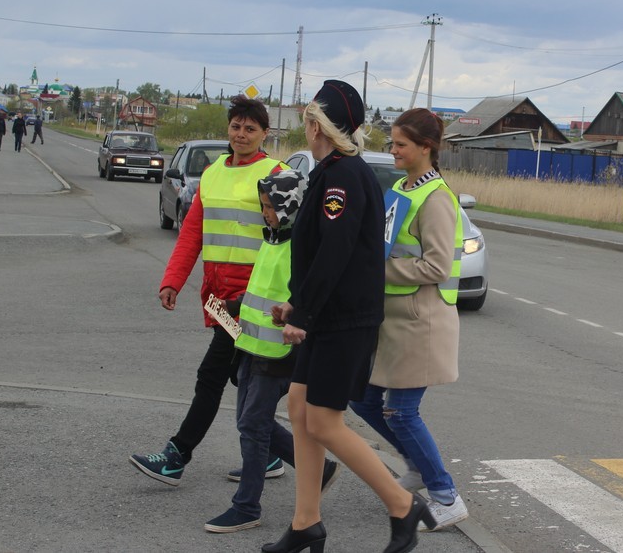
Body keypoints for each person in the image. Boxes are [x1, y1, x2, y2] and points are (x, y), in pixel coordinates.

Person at [263, 80, 434, 553]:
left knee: (324, 422)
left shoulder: (343, 177)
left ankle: (402, 504)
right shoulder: (331, 171)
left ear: (316, 126)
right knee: (299, 409)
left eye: (307, 121)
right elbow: (319, 253)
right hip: (327, 316)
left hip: (345, 321)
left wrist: (303, 314)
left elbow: (334, 253)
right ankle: (306, 523)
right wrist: (298, 305)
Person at [128, 96, 301, 487]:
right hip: (219, 297)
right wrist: (172, 280)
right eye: (236, 126)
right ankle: (277, 456)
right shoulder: (212, 173)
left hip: (252, 299)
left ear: (265, 133)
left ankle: (176, 455)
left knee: (212, 375)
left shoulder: (277, 174)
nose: (241, 135)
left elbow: (294, 239)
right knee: (242, 377)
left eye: (250, 129)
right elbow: (192, 233)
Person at [348, 108, 469, 532]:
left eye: (400, 144)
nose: (393, 150)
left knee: (401, 412)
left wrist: (375, 271)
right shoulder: (403, 186)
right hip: (393, 320)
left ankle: (446, 496)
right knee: (363, 400)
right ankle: (417, 466)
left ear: (425, 147)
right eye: (393, 143)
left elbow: (437, 266)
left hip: (421, 321)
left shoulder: (436, 198)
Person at [205, 168, 340, 534]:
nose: (264, 213)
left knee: (252, 424)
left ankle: (246, 506)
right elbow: (262, 291)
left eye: (269, 206)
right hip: (252, 345)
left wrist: (292, 318)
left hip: (278, 353)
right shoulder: (274, 238)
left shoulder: (300, 247)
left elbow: (307, 298)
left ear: (290, 207)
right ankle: (318, 469)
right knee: (249, 421)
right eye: (263, 206)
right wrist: (234, 305)